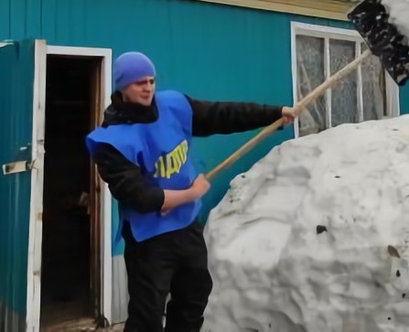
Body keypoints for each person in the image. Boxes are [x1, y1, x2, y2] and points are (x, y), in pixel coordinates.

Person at [85, 51, 296, 332]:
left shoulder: (174, 106)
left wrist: (273, 113)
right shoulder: (110, 140)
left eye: (151, 80)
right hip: (149, 239)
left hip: (185, 227)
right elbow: (141, 197)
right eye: (139, 83)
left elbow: (221, 115)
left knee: (194, 296)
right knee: (147, 316)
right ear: (122, 87)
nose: (148, 86)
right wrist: (191, 193)